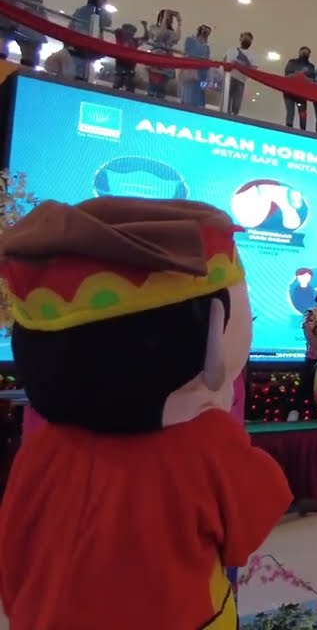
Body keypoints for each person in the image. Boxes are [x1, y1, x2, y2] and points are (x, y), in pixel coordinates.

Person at [0, 198, 292, 628]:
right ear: (216, 324)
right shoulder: (204, 443)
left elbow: (15, 547)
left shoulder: (42, 449)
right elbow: (251, 524)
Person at [145, 9, 181, 99]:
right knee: (153, 85)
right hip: (156, 59)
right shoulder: (153, 28)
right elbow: (160, 35)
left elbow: (176, 39)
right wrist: (165, 16)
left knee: (162, 88)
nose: (170, 20)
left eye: (170, 18)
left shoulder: (171, 32)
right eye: (168, 18)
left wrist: (179, 22)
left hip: (167, 61)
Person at [223, 32, 255, 116]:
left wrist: (239, 65)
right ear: (240, 39)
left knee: (236, 105)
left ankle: (233, 120)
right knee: (225, 102)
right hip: (228, 79)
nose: (246, 40)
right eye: (245, 38)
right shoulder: (231, 50)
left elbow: (254, 69)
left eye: (249, 39)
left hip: (241, 80)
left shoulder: (252, 55)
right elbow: (224, 62)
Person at [179, 24, 212, 107]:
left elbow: (206, 60)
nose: (206, 35)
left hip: (201, 75)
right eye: (205, 32)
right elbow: (188, 53)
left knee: (198, 98)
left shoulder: (207, 47)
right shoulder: (190, 40)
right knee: (188, 96)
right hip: (191, 73)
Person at [283, 47, 315, 130]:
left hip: (302, 94)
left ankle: (303, 132)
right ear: (299, 52)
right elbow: (287, 76)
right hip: (289, 92)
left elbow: (312, 81)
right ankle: (288, 130)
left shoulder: (311, 66)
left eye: (306, 53)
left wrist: (302, 76)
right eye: (303, 52)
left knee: (303, 114)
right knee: (290, 113)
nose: (304, 54)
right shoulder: (292, 62)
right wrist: (300, 74)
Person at [111, 22, 146, 93]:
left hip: (129, 69)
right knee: (117, 86)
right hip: (120, 67)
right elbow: (117, 31)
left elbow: (145, 38)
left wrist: (145, 27)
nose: (131, 33)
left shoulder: (134, 41)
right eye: (129, 30)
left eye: (132, 31)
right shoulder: (120, 37)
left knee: (129, 88)